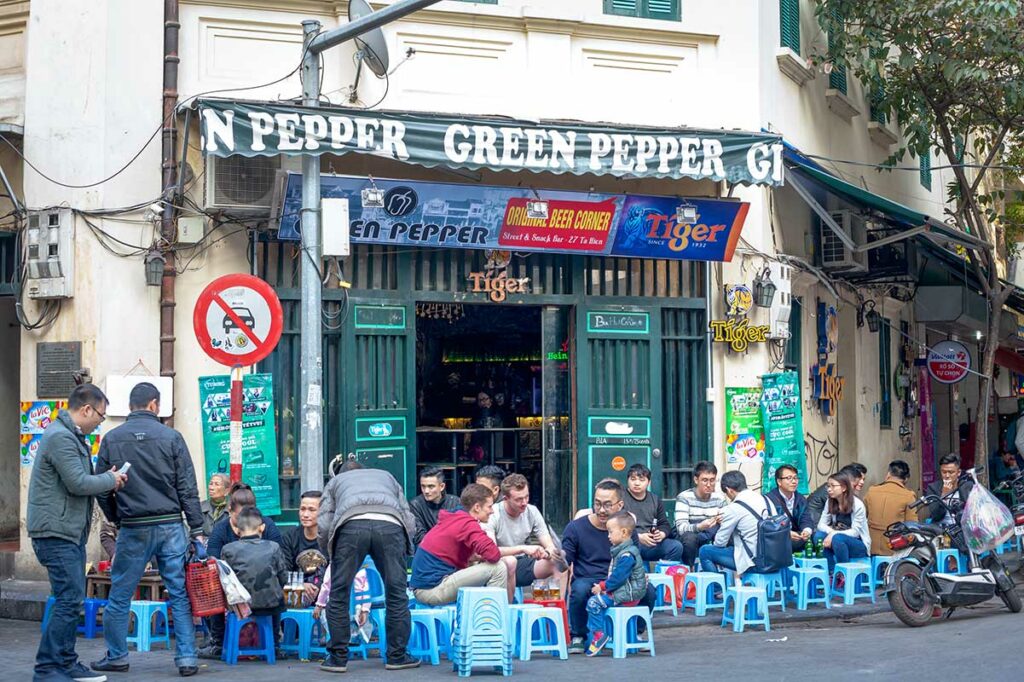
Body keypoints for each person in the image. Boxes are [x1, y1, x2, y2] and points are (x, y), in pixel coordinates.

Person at [91, 382, 204, 678]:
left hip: (134, 527)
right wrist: (197, 527)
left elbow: (102, 487)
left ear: (130, 406)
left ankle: (117, 656)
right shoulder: (172, 437)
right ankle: (187, 659)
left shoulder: (111, 439)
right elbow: (187, 488)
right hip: (170, 525)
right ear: (154, 404)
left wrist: (116, 517)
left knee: (120, 595)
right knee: (178, 593)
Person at [28, 384, 126, 682]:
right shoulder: (61, 437)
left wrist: (107, 478)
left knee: (70, 598)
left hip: (66, 532)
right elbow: (78, 484)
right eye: (100, 414)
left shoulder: (70, 436)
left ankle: (66, 663)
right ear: (86, 409)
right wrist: (110, 479)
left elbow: (81, 480)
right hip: (56, 532)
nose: (100, 420)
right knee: (69, 599)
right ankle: (48, 668)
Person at [318, 460, 420, 673]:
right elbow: (407, 515)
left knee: (338, 593)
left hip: (350, 525)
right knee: (397, 593)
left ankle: (337, 659)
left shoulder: (336, 482)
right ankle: (397, 656)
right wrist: (405, 546)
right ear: (365, 471)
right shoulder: (386, 476)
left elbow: (326, 522)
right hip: (390, 524)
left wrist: (330, 551)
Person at [563, 479, 655, 655]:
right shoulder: (575, 528)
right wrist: (559, 559)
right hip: (589, 578)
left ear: (620, 505)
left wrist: (641, 576)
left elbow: (634, 559)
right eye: (597, 504)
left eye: (607, 505)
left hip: (621, 579)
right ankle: (579, 636)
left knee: (648, 590)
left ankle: (635, 632)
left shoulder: (627, 530)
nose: (602, 510)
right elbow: (565, 562)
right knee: (580, 589)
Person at [198, 482, 285, 660]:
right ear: (229, 511)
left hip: (238, 598)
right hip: (247, 593)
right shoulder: (221, 530)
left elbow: (282, 561)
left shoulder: (269, 527)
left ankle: (272, 643)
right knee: (213, 585)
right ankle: (218, 641)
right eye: (240, 516)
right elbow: (212, 561)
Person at [411, 483, 508, 605]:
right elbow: (493, 555)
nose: (492, 511)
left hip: (426, 587)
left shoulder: (456, 517)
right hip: (431, 590)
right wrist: (523, 549)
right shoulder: (466, 523)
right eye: (489, 507)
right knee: (498, 568)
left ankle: (478, 613)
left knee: (479, 563)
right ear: (477, 507)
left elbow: (477, 556)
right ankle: (490, 618)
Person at [486, 474, 564, 597]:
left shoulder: (531, 511)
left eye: (526, 497)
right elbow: (491, 552)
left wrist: (547, 553)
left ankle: (559, 607)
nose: (524, 503)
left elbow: (549, 544)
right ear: (505, 498)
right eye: (518, 499)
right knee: (510, 561)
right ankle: (508, 610)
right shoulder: (493, 513)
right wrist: (523, 548)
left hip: (523, 563)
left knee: (558, 560)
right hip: (498, 564)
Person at [220, 508, 289, 646]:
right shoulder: (273, 547)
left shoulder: (228, 549)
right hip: (270, 605)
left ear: (237, 530)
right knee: (277, 597)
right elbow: (283, 577)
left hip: (240, 606)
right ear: (262, 528)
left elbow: (225, 581)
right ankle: (274, 644)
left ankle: (224, 643)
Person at [584, 511, 648, 657]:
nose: (608, 535)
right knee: (598, 601)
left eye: (611, 532)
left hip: (628, 595)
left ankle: (599, 635)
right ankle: (598, 633)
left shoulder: (627, 555)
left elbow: (618, 578)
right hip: (625, 592)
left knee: (593, 603)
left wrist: (602, 586)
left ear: (624, 532)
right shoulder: (622, 551)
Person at [698, 470, 768, 578]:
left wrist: (722, 523)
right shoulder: (764, 499)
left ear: (728, 490)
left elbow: (719, 543)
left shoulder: (733, 508)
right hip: (774, 559)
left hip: (754, 562)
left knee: (705, 551)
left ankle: (718, 589)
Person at [623, 463, 683, 564]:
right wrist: (638, 537)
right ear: (628, 480)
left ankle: (662, 574)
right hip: (631, 542)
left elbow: (664, 524)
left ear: (648, 482)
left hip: (651, 542)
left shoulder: (654, 499)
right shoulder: (621, 498)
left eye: (642, 480)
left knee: (676, 547)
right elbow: (617, 526)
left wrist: (662, 534)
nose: (637, 483)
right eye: (633, 479)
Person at [813, 472, 871, 575]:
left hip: (858, 544)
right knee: (818, 536)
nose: (829, 489)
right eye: (828, 486)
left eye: (833, 486)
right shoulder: (830, 501)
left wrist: (833, 534)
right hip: (837, 542)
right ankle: (831, 572)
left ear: (844, 488)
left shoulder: (857, 505)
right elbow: (821, 525)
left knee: (838, 538)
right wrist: (832, 533)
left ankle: (843, 574)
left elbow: (856, 532)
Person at [674, 461, 727, 566]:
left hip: (711, 532)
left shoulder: (719, 498)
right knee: (689, 538)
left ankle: (728, 572)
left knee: (730, 534)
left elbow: (727, 521)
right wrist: (700, 526)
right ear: (696, 480)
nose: (708, 485)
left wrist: (722, 521)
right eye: (704, 480)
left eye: (712, 480)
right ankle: (690, 568)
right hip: (693, 532)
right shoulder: (684, 497)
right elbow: (680, 528)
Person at [864, 460, 917, 556]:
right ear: (906, 479)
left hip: (870, 546)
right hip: (894, 548)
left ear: (888, 474)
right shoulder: (908, 496)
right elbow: (912, 526)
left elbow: (863, 516)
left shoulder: (872, 491)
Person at [281, 490, 325, 604]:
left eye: (312, 510)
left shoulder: (330, 538)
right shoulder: (290, 537)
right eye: (302, 509)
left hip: (326, 595)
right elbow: (283, 571)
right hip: (296, 595)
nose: (305, 514)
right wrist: (300, 585)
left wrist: (318, 588)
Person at [765, 465, 813, 553]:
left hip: (797, 535)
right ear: (779, 481)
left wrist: (806, 531)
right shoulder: (769, 499)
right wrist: (786, 533)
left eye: (795, 478)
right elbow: (769, 524)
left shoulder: (801, 499)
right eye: (789, 478)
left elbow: (806, 519)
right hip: (779, 536)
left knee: (817, 538)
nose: (794, 481)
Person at [409, 466, 462, 546]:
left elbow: (462, 532)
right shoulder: (415, 504)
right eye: (423, 486)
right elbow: (419, 537)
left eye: (431, 487)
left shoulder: (455, 502)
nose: (426, 491)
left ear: (442, 487)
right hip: (428, 552)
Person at [806, 463, 867, 528]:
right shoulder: (834, 491)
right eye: (859, 479)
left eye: (863, 479)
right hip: (814, 525)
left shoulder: (846, 493)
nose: (862, 482)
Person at [924, 453, 974, 523]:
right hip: (941, 529)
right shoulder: (933, 488)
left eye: (951, 472)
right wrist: (944, 495)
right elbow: (936, 515)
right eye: (944, 472)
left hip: (963, 528)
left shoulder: (967, 486)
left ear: (958, 472)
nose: (947, 476)